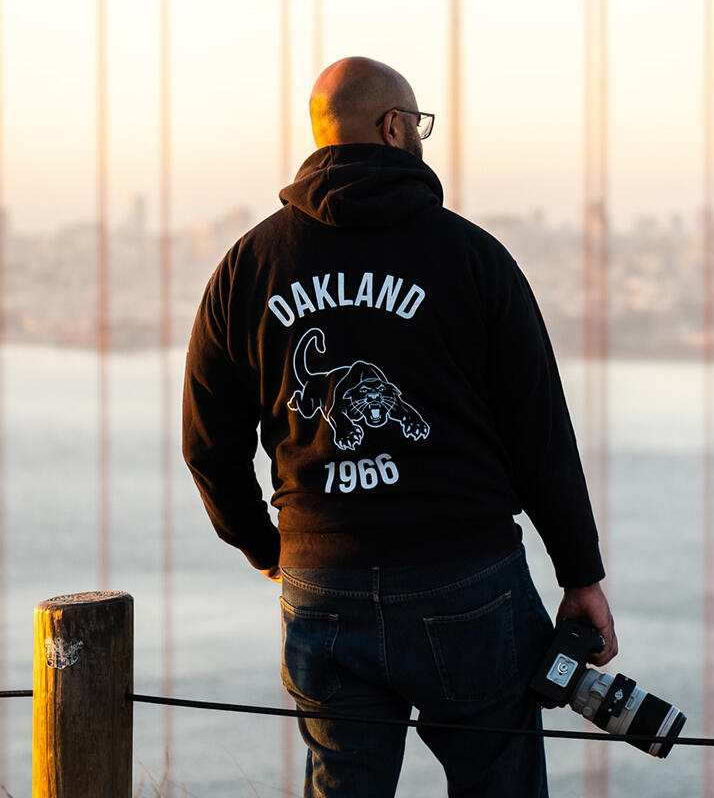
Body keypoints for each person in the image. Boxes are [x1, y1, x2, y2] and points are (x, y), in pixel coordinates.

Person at [182, 56, 616, 797]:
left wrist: (268, 549)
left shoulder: (248, 265)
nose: (419, 137)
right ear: (393, 128)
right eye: (417, 124)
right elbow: (539, 433)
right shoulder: (474, 257)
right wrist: (580, 575)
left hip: (322, 580)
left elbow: (207, 445)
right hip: (467, 581)